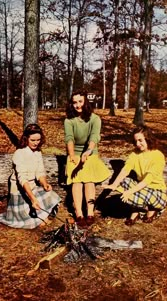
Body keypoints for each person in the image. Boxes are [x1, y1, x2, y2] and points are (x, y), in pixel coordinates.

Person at [0, 124, 61, 229]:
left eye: (38, 140)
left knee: (50, 194)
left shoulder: (38, 152)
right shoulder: (19, 153)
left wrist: (45, 184)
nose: (36, 143)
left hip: (33, 186)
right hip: (21, 190)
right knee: (31, 221)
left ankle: (40, 214)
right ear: (26, 139)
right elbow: (22, 180)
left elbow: (40, 172)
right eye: (33, 140)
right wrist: (32, 199)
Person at [103, 125, 167, 226]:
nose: (138, 144)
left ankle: (154, 208)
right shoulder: (134, 154)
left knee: (129, 193)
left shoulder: (158, 156)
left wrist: (129, 192)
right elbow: (125, 170)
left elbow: (147, 180)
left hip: (156, 190)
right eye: (136, 141)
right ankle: (136, 210)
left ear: (148, 138)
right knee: (124, 182)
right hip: (141, 187)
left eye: (141, 140)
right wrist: (114, 185)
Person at [64, 91, 111, 227]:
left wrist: (88, 151)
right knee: (77, 181)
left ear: (85, 102)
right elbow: (69, 139)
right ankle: (79, 213)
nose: (78, 105)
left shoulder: (95, 119)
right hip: (75, 153)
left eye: (80, 101)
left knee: (89, 180)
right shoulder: (68, 120)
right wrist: (72, 156)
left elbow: (94, 137)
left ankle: (90, 212)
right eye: (75, 102)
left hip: (90, 152)